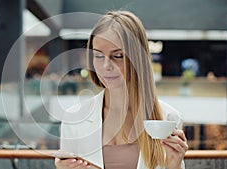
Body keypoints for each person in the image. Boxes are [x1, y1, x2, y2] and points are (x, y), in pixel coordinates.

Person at [55, 11, 188, 169]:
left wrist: (174, 165)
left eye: (117, 56)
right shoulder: (73, 118)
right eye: (98, 56)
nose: (106, 66)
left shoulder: (169, 118)